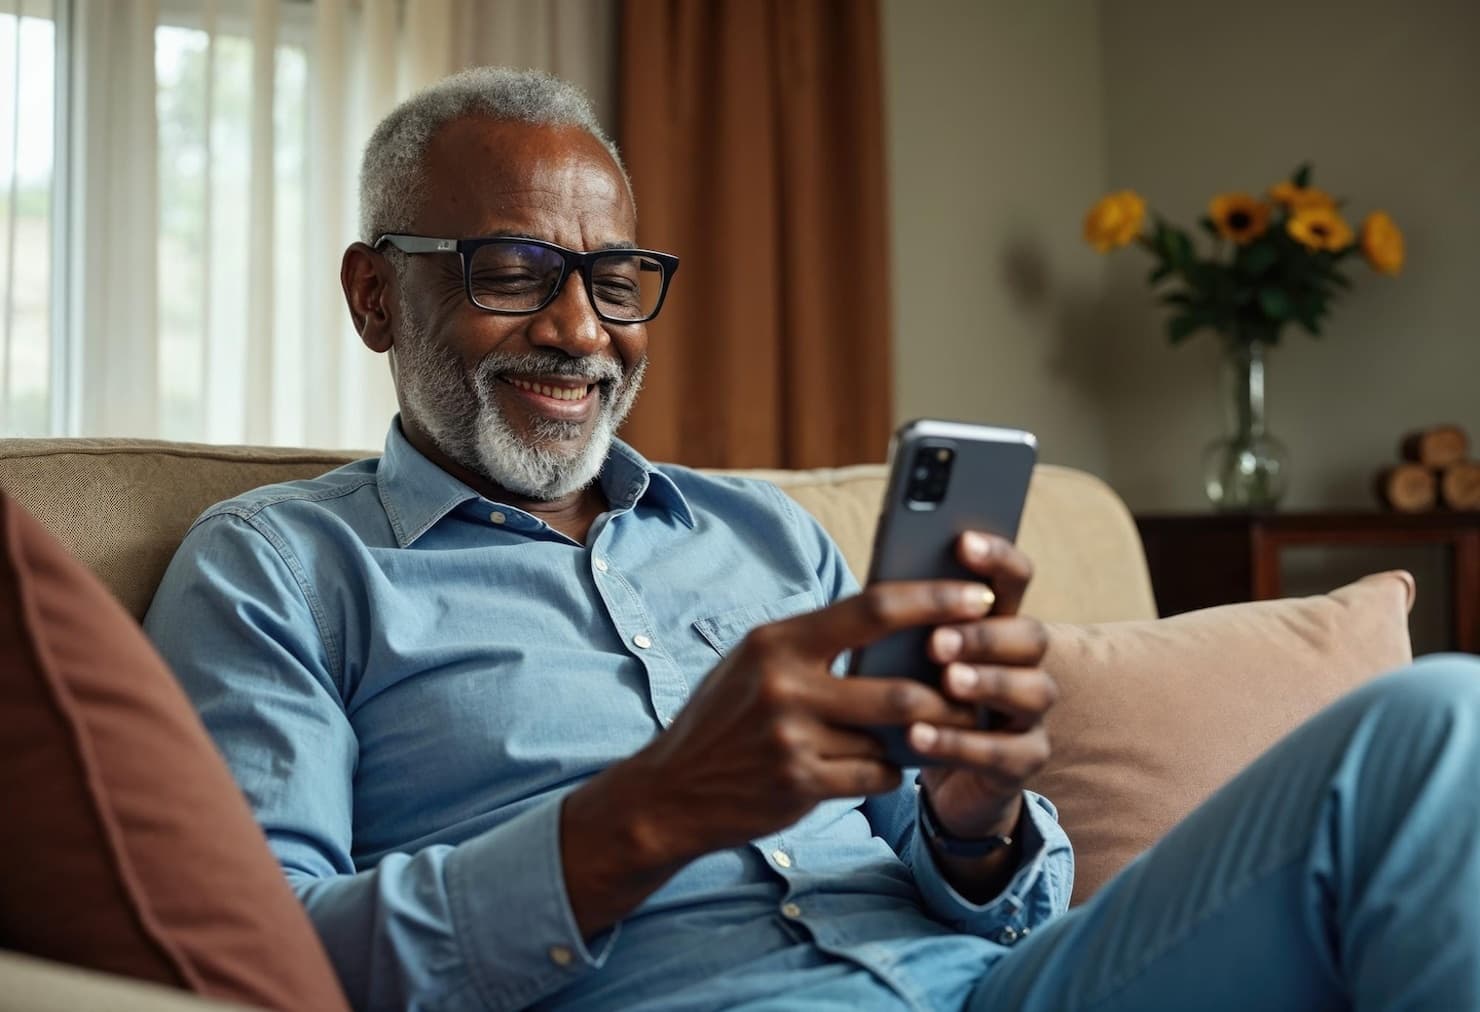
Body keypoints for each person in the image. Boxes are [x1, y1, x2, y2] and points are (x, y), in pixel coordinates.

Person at [145, 67, 1480, 1012]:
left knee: (1439, 720)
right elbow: (259, 958)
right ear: (375, 294)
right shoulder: (277, 571)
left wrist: (973, 817)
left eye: (616, 280)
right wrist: (651, 811)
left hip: (1001, 988)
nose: (581, 330)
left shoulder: (763, 535)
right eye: (511, 272)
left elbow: (979, 875)